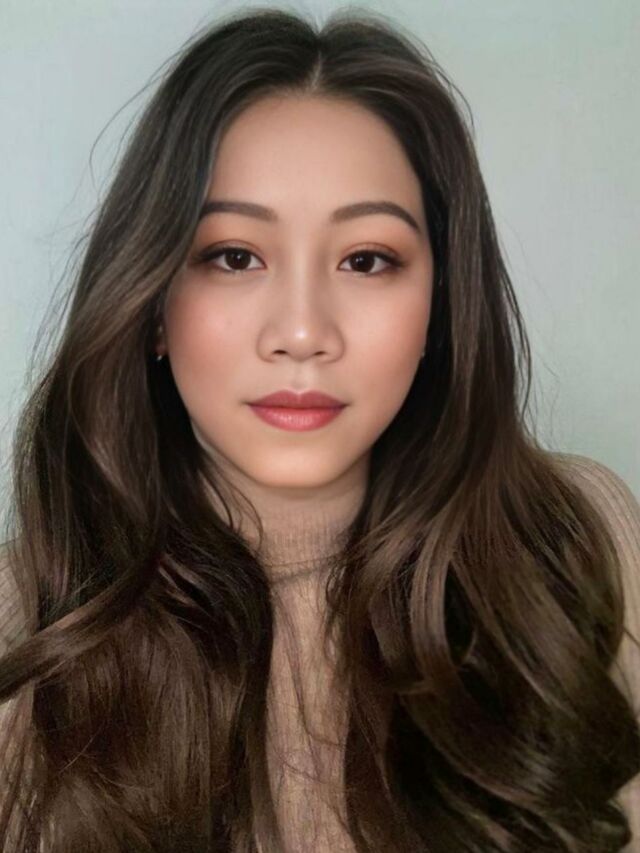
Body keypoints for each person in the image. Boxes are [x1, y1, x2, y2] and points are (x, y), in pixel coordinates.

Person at [0, 6, 638, 852]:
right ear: (151, 303)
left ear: (440, 307)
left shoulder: (571, 545)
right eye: (234, 256)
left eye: (366, 259)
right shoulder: (33, 616)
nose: (302, 332)